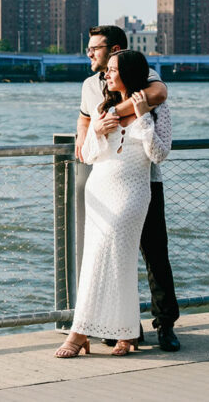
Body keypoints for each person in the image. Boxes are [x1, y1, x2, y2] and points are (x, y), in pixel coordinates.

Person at [55, 49, 172, 357]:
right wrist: (96, 130)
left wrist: (144, 118)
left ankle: (79, 333)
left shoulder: (156, 108)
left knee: (112, 258)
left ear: (129, 73)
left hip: (133, 191)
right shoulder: (102, 107)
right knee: (105, 259)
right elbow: (90, 156)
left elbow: (159, 154)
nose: (105, 75)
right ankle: (126, 332)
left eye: (111, 70)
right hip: (99, 190)